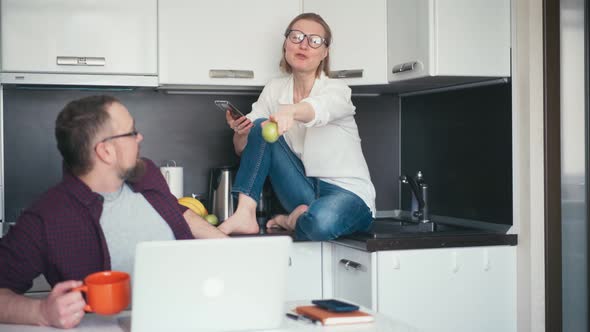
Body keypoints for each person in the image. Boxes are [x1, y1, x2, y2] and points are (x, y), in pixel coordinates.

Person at [0, 95, 227, 328]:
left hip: (196, 318)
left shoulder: (146, 172)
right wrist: (41, 312)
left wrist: (230, 248)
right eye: (131, 133)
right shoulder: (47, 218)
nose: (140, 137)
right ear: (105, 151)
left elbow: (177, 212)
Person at [219, 13, 376, 241]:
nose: (303, 44)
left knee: (321, 222)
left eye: (314, 41)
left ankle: (289, 220)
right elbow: (245, 150)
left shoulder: (337, 90)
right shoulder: (274, 89)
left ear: (324, 52)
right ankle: (245, 212)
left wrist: (291, 111)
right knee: (261, 126)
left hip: (347, 194)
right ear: (285, 44)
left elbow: (319, 109)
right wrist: (241, 132)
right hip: (300, 190)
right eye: (296, 36)